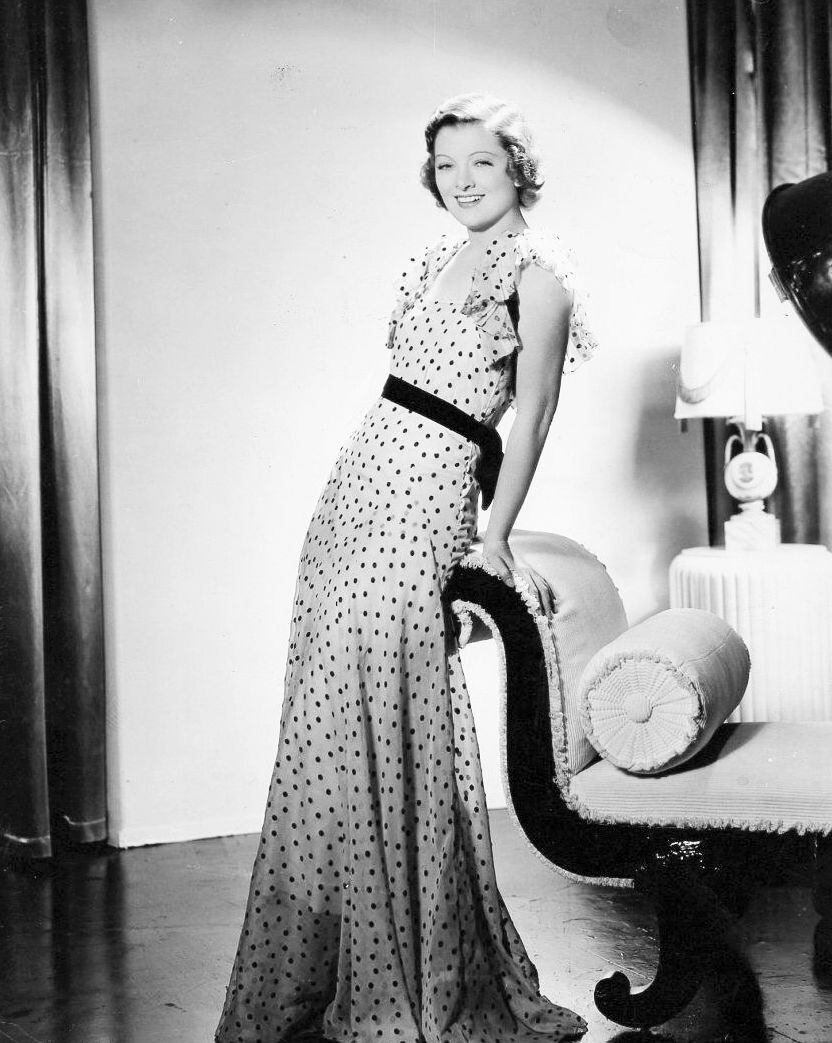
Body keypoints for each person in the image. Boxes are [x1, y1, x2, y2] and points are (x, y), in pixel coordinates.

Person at [215, 91, 596, 1043]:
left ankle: (416, 977)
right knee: (327, 718)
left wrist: (496, 533)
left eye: (482, 162)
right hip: (356, 485)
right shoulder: (427, 260)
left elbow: (534, 416)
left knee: (394, 714)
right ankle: (325, 971)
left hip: (430, 491)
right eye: (446, 166)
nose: (462, 181)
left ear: (519, 170)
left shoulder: (540, 277)